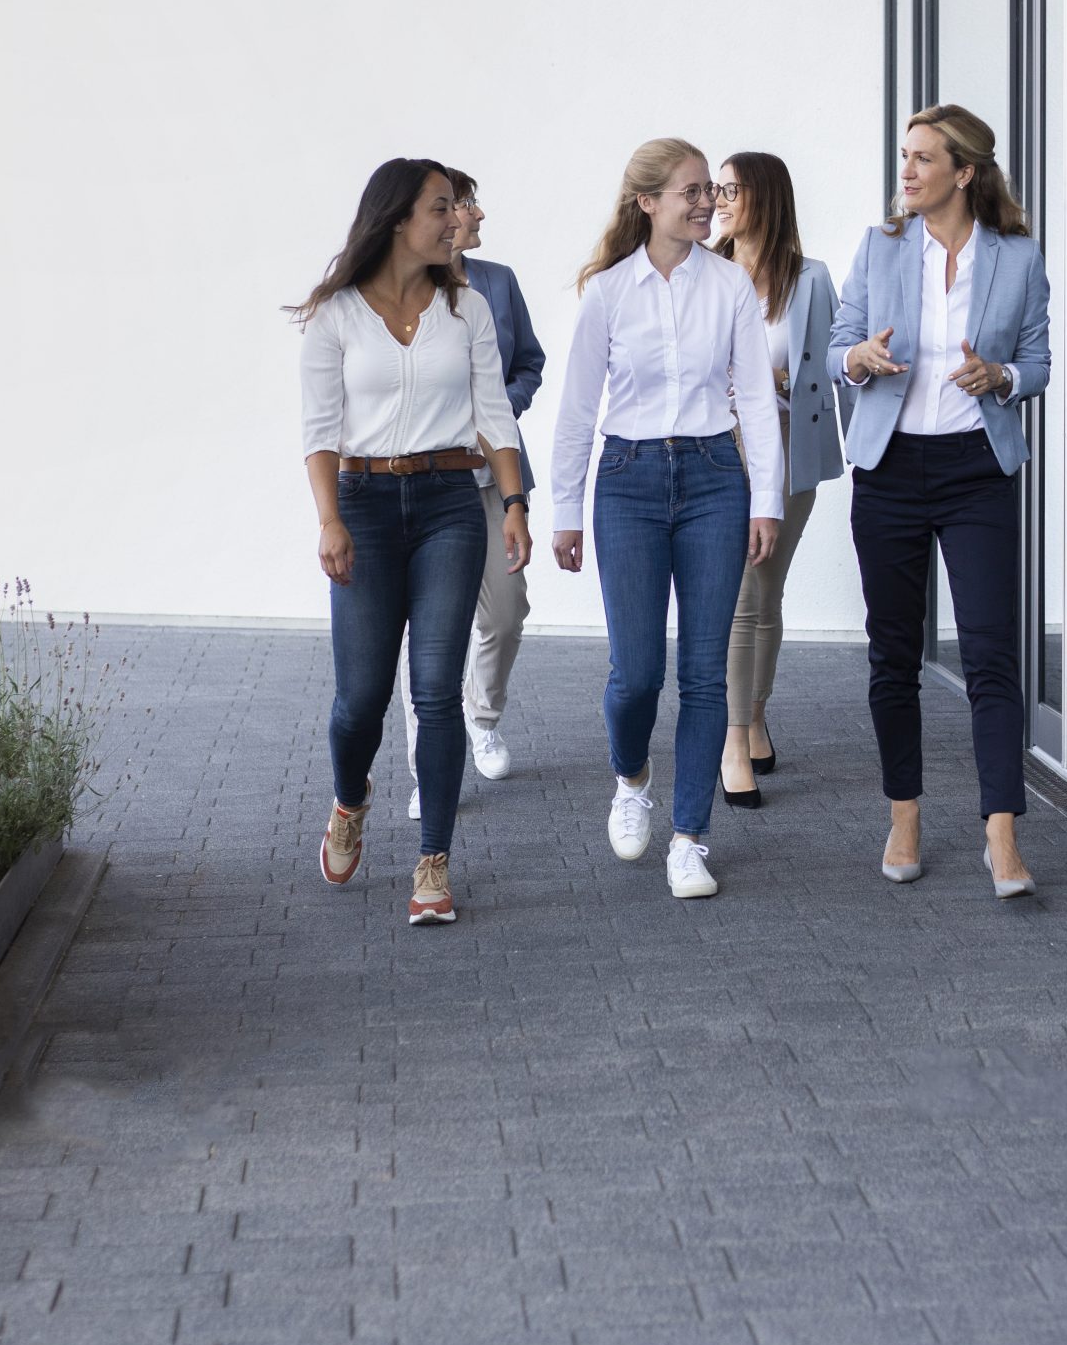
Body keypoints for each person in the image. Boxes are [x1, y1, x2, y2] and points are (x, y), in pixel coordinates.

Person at [296, 158, 531, 928]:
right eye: (440, 208)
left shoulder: (467, 309)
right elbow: (319, 431)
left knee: (435, 690)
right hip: (362, 506)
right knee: (359, 698)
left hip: (447, 507)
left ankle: (433, 862)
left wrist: (514, 503)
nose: (455, 220)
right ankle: (350, 798)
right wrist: (329, 519)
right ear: (399, 219)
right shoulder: (335, 316)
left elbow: (494, 414)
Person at [551, 138, 783, 899]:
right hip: (628, 480)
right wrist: (563, 510)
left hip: (716, 477)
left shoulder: (730, 287)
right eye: (689, 191)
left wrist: (765, 499)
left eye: (707, 192)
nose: (706, 202)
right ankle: (630, 778)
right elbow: (579, 408)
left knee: (703, 674)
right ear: (646, 202)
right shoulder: (609, 292)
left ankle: (689, 838)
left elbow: (753, 399)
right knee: (635, 674)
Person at [830, 103, 1050, 895]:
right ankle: (904, 812)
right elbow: (836, 347)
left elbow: (1038, 361)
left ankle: (1001, 834)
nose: (907, 172)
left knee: (991, 652)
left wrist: (1003, 378)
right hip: (887, 469)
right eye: (904, 157)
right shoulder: (879, 247)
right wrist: (858, 358)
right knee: (893, 654)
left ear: (964, 171)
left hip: (976, 471)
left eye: (923, 158)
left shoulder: (1016, 258)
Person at [400, 169, 545, 809]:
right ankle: (422, 769)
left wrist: (496, 411)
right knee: (427, 629)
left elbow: (528, 364)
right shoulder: (402, 289)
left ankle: (481, 719)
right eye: (466, 202)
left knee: (507, 612)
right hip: (428, 481)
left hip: (494, 478)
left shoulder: (498, 283)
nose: (478, 213)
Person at [712, 152, 848, 806]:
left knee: (766, 597)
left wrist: (779, 383)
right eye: (716, 188)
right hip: (719, 462)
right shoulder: (702, 274)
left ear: (762, 198)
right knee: (742, 598)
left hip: (790, 461)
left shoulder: (810, 279)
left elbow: (833, 370)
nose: (719, 199)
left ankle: (754, 711)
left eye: (731, 189)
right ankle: (734, 738)